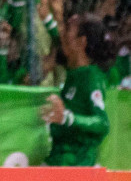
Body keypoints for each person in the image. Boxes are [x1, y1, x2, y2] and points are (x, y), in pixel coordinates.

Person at [41, 14, 115, 166]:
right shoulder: (74, 73)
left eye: (68, 30)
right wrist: (47, 18)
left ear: (81, 42)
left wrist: (67, 118)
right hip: (58, 160)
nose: (63, 34)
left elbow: (102, 123)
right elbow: (60, 42)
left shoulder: (91, 78)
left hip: (78, 166)